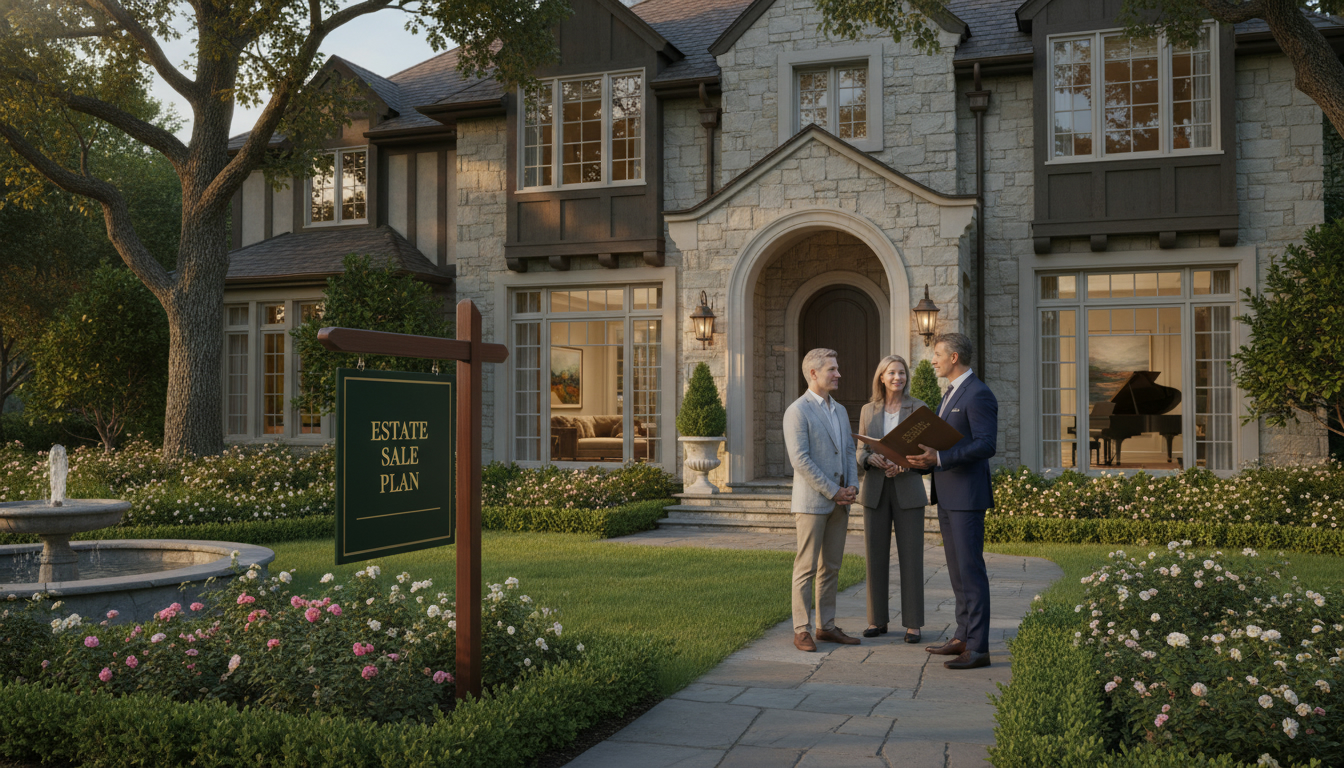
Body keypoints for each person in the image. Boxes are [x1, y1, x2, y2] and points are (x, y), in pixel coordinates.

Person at [906, 333, 998, 670]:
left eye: (937, 354)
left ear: (955, 357)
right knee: (958, 572)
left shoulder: (978, 394)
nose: (933, 360)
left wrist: (941, 458)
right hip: (946, 494)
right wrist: (920, 458)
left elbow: (987, 445)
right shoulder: (951, 393)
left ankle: (978, 648)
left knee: (971, 571)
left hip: (967, 496)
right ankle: (962, 636)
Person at [783, 347, 861, 652]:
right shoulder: (797, 411)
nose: (838, 374)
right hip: (813, 502)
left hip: (841, 503)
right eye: (832, 369)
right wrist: (833, 490)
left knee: (832, 567)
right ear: (813, 373)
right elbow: (800, 460)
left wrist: (852, 487)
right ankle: (801, 629)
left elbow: (849, 453)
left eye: (837, 368)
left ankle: (826, 627)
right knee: (806, 567)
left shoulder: (840, 410)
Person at [855, 355, 928, 644]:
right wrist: (869, 457)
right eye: (892, 373)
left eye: (902, 372)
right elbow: (859, 451)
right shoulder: (867, 410)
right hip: (875, 490)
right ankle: (877, 620)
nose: (898, 377)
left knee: (912, 557)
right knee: (875, 556)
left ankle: (913, 624)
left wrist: (906, 464)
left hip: (908, 488)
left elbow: (926, 451)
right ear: (881, 378)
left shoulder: (919, 408)